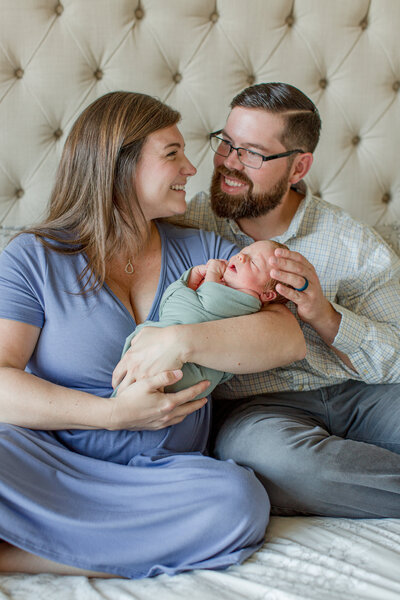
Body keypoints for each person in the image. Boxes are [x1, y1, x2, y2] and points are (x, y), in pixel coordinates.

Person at [0, 91, 306, 579]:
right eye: (172, 154)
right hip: (51, 462)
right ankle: (105, 548)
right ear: (117, 166)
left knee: (238, 501)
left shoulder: (203, 251)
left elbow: (287, 337)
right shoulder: (34, 257)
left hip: (161, 479)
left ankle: (18, 554)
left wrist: (181, 341)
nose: (191, 168)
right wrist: (112, 414)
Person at [122, 81, 400, 518]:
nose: (229, 164)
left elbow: (396, 358)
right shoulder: (187, 221)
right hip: (258, 409)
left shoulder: (354, 246)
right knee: (281, 466)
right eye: (226, 144)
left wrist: (326, 316)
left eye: (252, 153)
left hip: (360, 393)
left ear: (298, 167)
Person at [115, 240, 289, 401]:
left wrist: (211, 273)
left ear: (267, 295)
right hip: (167, 346)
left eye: (253, 262)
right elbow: (170, 303)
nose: (241, 256)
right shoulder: (224, 285)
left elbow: (211, 302)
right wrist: (188, 280)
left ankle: (128, 401)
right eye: (245, 250)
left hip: (192, 369)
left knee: (147, 386)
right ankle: (123, 400)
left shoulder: (249, 302)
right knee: (136, 367)